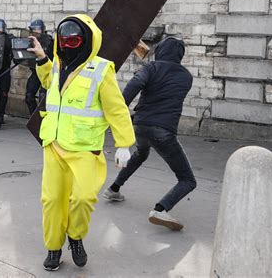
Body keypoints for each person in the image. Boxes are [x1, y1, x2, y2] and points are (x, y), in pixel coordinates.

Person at [28, 14, 136, 271]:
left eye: (74, 40)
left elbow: (117, 109)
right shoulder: (57, 65)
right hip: (53, 143)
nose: (67, 45)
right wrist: (43, 59)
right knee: (52, 200)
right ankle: (53, 247)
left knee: (83, 198)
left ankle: (75, 237)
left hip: (85, 149)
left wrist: (124, 143)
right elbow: (48, 83)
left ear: (87, 40)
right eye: (63, 40)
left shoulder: (101, 69)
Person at [102, 36, 196, 231]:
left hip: (140, 125)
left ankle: (114, 189)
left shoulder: (150, 68)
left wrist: (119, 113)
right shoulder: (186, 76)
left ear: (160, 51)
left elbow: (133, 87)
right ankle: (161, 209)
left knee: (141, 153)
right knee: (187, 179)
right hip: (163, 130)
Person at [25, 19, 53, 115]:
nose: (36, 31)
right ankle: (34, 119)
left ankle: (44, 119)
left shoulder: (50, 41)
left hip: (48, 72)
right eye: (34, 29)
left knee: (43, 97)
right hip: (35, 72)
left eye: (38, 29)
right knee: (29, 96)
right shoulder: (29, 42)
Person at [0, 19, 13, 123]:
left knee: (4, 93)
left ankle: (1, 114)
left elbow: (12, 47)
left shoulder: (9, 38)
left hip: (5, 69)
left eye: (0, 27)